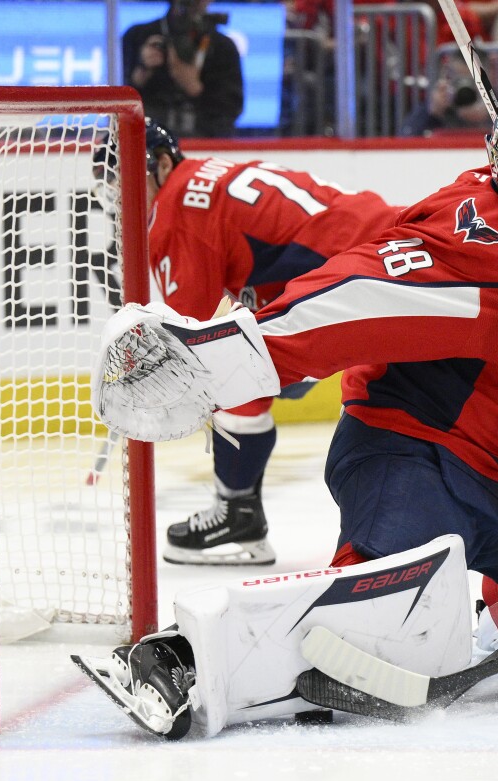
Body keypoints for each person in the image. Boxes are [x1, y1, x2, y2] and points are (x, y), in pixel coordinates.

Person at [82, 88, 498, 737]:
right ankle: (181, 658)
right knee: (375, 624)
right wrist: (221, 360)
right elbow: (353, 299)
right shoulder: (481, 260)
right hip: (414, 456)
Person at [129, 121, 403, 565]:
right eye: (108, 183)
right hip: (389, 248)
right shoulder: (198, 178)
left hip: (368, 273)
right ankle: (242, 514)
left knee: (230, 369)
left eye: (125, 178)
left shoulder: (177, 212)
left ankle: (238, 514)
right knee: (247, 360)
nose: (117, 195)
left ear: (161, 164)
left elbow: (198, 339)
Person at [122, 0, 243, 137]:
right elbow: (117, 103)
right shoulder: (138, 36)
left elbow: (232, 109)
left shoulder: (222, 47)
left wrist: (195, 88)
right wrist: (141, 72)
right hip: (149, 138)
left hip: (206, 139)